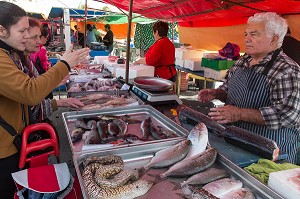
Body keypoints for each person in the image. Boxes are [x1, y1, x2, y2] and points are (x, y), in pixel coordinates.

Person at [0, 2, 89, 198]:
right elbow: (29, 92)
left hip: (13, 141)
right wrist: (64, 64)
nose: (28, 37)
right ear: (1, 30)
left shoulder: (10, 54)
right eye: (22, 31)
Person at [198, 12, 300, 164]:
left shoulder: (286, 70)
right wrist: (217, 93)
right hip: (238, 141)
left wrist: (239, 114)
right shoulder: (242, 61)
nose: (247, 38)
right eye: (246, 34)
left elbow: (287, 115)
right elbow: (228, 87)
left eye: (254, 34)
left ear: (274, 39)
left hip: (271, 151)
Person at [24, 18, 84, 123]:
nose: (39, 41)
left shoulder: (26, 60)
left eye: (39, 36)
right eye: (34, 37)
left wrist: (54, 85)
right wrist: (64, 64)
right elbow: (31, 99)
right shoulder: (10, 62)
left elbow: (37, 93)